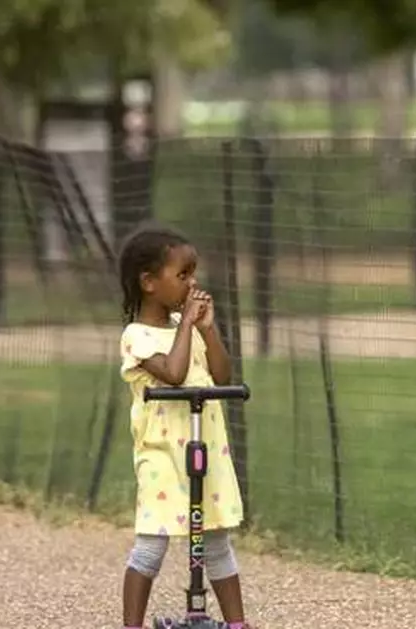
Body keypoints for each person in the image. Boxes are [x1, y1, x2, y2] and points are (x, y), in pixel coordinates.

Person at [116, 224, 252, 629]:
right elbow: (173, 374)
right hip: (162, 456)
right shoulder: (136, 336)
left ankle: (236, 624)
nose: (192, 283)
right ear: (149, 282)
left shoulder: (187, 329)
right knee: (151, 546)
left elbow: (223, 373)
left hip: (204, 450)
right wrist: (187, 325)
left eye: (193, 273)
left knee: (216, 541)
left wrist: (207, 329)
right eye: (182, 275)